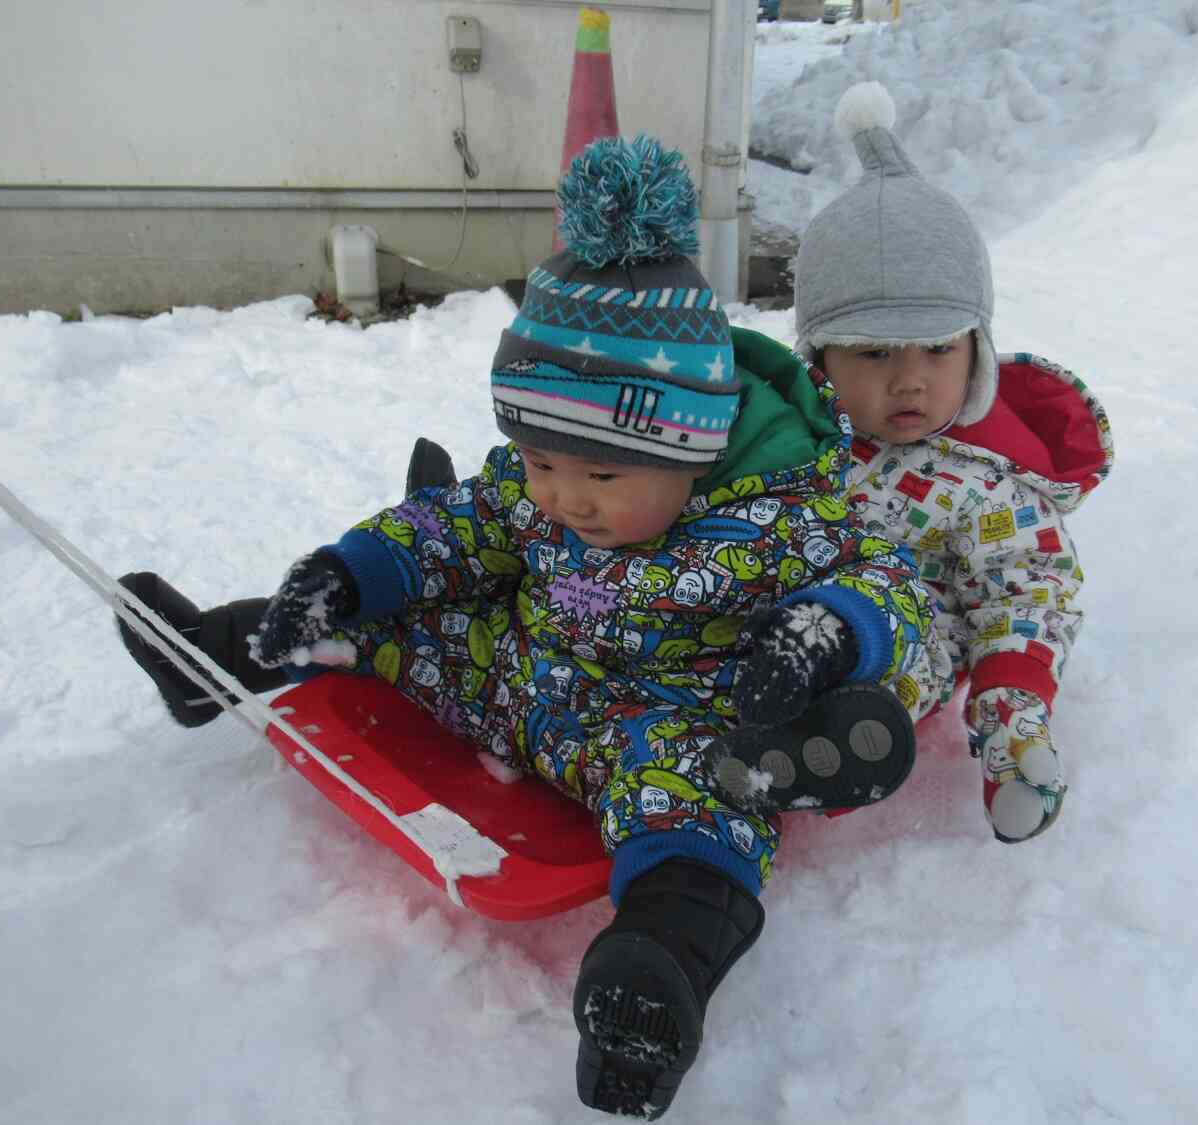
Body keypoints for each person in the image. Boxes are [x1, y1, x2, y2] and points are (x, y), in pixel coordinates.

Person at [115, 134, 940, 1120]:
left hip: (663, 719)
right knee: (384, 625)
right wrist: (347, 577)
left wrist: (823, 630)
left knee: (697, 813)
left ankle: (653, 976)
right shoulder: (538, 486)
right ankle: (209, 655)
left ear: (696, 448)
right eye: (541, 462)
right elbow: (454, 525)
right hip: (515, 671)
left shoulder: (783, 514)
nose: (563, 498)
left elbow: (893, 586)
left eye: (599, 477)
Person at [792, 83, 1116, 844]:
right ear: (819, 358)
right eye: (873, 353)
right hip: (772, 620)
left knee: (902, 664)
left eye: (938, 348)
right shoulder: (788, 440)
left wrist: (1011, 700)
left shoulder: (983, 482)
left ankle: (833, 749)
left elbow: (1027, 590)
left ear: (977, 351)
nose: (909, 378)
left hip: (902, 644)